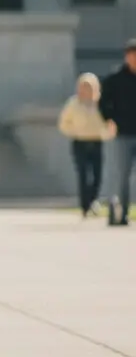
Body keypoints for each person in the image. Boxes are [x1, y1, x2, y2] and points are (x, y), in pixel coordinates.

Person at [58, 73, 115, 218]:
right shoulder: (73, 103)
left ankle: (93, 200)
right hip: (80, 142)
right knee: (83, 174)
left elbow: (109, 121)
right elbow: (64, 123)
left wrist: (108, 133)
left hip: (96, 141)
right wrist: (74, 132)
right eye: (83, 86)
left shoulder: (101, 103)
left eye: (89, 86)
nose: (86, 89)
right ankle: (85, 206)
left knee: (97, 175)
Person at [98, 38, 136, 226]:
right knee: (123, 176)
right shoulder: (115, 79)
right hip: (124, 133)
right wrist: (109, 120)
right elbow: (103, 103)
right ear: (126, 56)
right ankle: (123, 213)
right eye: (132, 55)